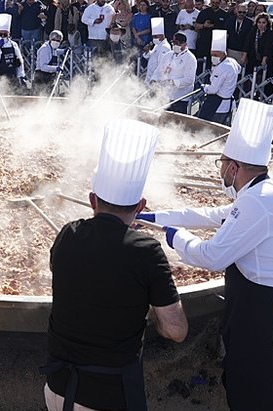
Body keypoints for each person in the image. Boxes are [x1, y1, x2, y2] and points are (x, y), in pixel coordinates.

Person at [139, 98, 273, 411]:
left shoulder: (258, 201)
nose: (219, 169)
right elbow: (212, 215)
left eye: (221, 162)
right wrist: (155, 218)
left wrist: (175, 237)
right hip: (268, 320)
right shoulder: (259, 193)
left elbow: (213, 257)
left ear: (234, 167)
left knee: (265, 403)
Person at [42, 119, 188, 411]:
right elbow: (176, 331)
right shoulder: (146, 251)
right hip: (107, 395)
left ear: (92, 199)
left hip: (56, 387)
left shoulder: (68, 233)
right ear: (141, 207)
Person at [197, 30, 240, 124]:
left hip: (218, 105)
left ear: (224, 54)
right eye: (212, 55)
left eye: (216, 55)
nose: (213, 57)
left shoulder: (223, 68)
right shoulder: (232, 61)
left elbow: (213, 89)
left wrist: (205, 88)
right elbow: (239, 69)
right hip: (227, 104)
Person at [242, 12, 273, 97]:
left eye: (263, 22)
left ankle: (260, 96)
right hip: (253, 57)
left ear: (267, 23)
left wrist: (264, 59)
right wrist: (244, 56)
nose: (261, 25)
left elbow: (268, 47)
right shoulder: (253, 31)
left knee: (262, 78)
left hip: (265, 58)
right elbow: (247, 44)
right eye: (259, 22)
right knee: (250, 78)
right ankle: (248, 95)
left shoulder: (270, 33)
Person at [162, 32, 198, 114]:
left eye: (176, 43)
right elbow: (160, 70)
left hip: (181, 97)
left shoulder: (190, 58)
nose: (174, 45)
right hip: (167, 95)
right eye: (173, 42)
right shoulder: (169, 55)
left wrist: (173, 82)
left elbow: (189, 80)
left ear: (184, 44)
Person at [0, 13, 26, 85]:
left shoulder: (14, 44)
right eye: (1, 34)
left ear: (9, 34)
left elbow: (20, 61)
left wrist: (21, 75)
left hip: (12, 77)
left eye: (5, 34)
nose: (3, 36)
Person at [195, 0, 227, 71]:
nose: (215, 4)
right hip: (204, 43)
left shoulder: (225, 14)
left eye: (217, 3)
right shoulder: (204, 12)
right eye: (213, 2)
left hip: (217, 45)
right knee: (201, 64)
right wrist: (204, 25)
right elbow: (196, 26)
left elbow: (227, 31)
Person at [143, 17, 172, 88]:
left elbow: (162, 66)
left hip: (156, 81)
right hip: (150, 78)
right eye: (153, 36)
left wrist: (155, 80)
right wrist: (147, 51)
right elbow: (152, 57)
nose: (154, 38)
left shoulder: (164, 47)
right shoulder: (157, 45)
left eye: (156, 36)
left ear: (162, 35)